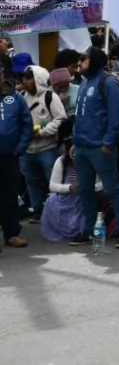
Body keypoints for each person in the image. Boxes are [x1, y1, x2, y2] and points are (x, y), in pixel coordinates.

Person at [71, 47, 119, 248]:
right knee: (85, 189)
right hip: (81, 147)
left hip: (100, 147)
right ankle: (89, 230)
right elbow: (80, 116)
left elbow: (117, 116)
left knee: (113, 188)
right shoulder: (84, 83)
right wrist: (74, 141)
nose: (79, 63)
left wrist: (109, 141)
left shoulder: (108, 82)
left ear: (95, 60)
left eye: (84, 59)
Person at [19, 65, 67, 223]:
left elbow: (61, 119)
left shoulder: (50, 97)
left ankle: (58, 209)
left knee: (51, 180)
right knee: (31, 180)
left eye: (29, 79)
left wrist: (43, 132)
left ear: (37, 79)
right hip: (27, 149)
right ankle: (38, 210)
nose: (25, 82)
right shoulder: (21, 97)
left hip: (47, 147)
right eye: (24, 79)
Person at [0, 66, 33, 251]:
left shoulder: (15, 98)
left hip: (10, 156)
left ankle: (12, 234)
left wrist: (19, 148)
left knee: (10, 196)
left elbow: (27, 124)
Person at [42, 147, 99, 242]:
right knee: (50, 201)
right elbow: (52, 186)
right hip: (65, 197)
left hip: (84, 197)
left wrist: (87, 188)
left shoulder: (93, 160)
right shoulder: (61, 161)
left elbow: (101, 184)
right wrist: (69, 188)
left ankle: (85, 232)